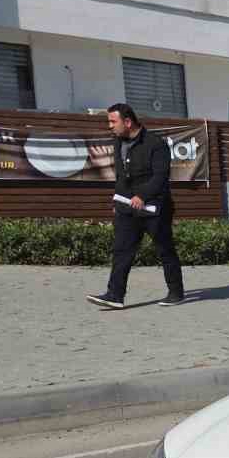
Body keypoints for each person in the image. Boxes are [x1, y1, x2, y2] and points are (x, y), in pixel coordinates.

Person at [86, 103, 183, 308]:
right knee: (122, 250)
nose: (110, 126)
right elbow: (121, 176)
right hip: (127, 207)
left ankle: (176, 292)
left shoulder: (156, 144)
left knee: (165, 250)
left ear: (128, 122)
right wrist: (118, 201)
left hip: (155, 208)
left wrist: (143, 196)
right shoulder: (118, 142)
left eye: (113, 121)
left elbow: (160, 177)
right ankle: (115, 295)